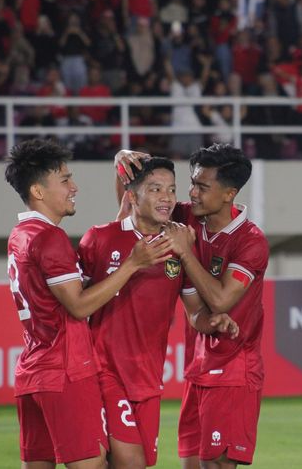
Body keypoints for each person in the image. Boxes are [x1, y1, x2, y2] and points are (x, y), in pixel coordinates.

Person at [4, 138, 174, 469]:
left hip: (32, 370)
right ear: (39, 191)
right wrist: (132, 264)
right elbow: (79, 305)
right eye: (65, 180)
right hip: (65, 370)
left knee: (37, 464)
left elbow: (107, 252)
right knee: (91, 464)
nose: (74, 187)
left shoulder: (20, 234)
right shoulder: (50, 239)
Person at [115, 144, 269, 469]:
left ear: (228, 194)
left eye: (202, 186)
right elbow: (136, 205)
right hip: (197, 368)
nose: (191, 193)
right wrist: (121, 163)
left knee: (215, 466)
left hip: (233, 371)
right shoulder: (186, 216)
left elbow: (222, 299)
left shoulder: (250, 242)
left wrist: (185, 253)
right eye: (192, 183)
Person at [80, 156, 239, 469]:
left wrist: (212, 321)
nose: (166, 197)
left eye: (171, 189)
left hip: (148, 378)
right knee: (131, 463)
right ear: (132, 196)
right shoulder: (100, 238)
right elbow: (76, 302)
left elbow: (194, 312)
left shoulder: (176, 247)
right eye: (155, 189)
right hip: (104, 370)